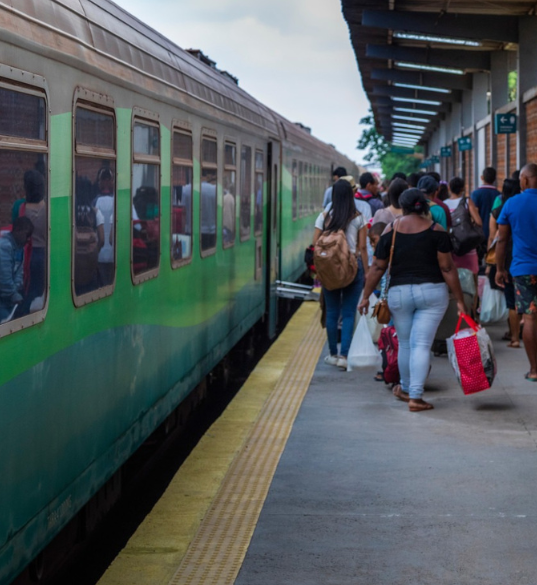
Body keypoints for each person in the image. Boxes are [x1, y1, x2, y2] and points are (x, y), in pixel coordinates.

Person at [358, 188, 467, 412]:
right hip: (432, 294)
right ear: (424, 205)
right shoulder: (437, 232)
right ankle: (415, 397)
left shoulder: (390, 231)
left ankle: (407, 388)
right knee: (422, 345)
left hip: (399, 295)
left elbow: (378, 267)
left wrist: (366, 296)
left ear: (402, 205)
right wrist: (460, 299)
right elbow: (447, 267)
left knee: (407, 343)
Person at [314, 179, 368, 370]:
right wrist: (367, 271)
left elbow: (316, 244)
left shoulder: (324, 217)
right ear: (352, 194)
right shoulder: (358, 217)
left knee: (332, 312)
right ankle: (345, 356)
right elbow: (362, 247)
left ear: (333, 195)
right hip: (353, 268)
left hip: (330, 269)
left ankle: (332, 354)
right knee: (348, 313)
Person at [495, 163, 537, 381]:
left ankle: (534, 370)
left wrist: (499, 268)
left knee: (530, 318)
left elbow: (501, 239)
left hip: (523, 269)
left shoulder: (512, 203)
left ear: (524, 180)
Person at [488, 177, 521, 348]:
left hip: (507, 260)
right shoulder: (525, 206)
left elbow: (495, 239)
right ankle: (523, 329)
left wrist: (492, 265)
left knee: (511, 301)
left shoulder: (498, 211)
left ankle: (514, 337)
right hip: (525, 257)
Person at [445, 177, 482, 276]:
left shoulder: (444, 204)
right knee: (472, 276)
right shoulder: (467, 202)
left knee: (454, 276)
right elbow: (479, 222)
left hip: (452, 246)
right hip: (467, 244)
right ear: (462, 189)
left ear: (449, 188)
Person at [0, 216, 33, 323]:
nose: (28, 239)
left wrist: (18, 288)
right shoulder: (5, 246)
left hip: (9, 297)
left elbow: (19, 271)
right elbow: (4, 277)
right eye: (26, 235)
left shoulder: (20, 248)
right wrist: (12, 294)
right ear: (18, 231)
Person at [94, 167, 115, 286]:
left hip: (98, 255)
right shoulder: (118, 201)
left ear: (99, 182)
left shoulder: (94, 202)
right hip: (114, 254)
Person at [471, 167, 501, 241]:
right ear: (494, 179)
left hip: (480, 233)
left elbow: (474, 214)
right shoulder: (499, 195)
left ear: (482, 177)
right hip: (495, 234)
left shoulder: (475, 194)